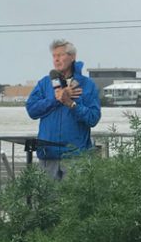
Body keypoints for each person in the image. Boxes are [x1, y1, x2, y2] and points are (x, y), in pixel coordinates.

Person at [25, 39, 101, 181]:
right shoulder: (45, 83)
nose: (56, 59)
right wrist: (55, 100)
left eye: (60, 55)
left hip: (75, 157)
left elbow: (93, 118)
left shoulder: (87, 85)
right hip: (48, 155)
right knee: (47, 201)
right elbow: (31, 110)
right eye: (54, 56)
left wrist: (71, 104)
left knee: (74, 201)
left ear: (72, 57)